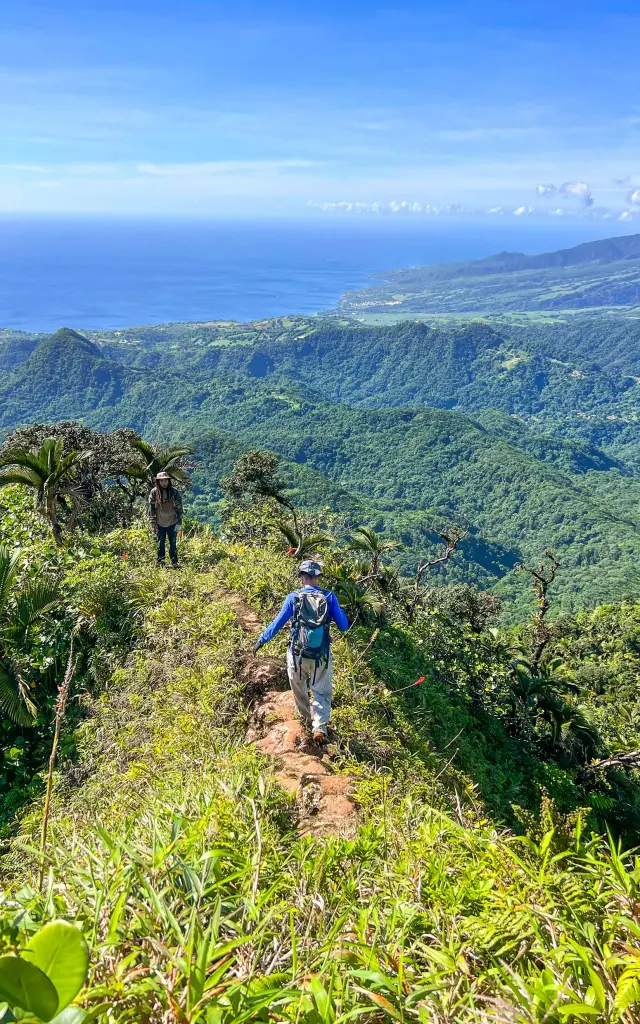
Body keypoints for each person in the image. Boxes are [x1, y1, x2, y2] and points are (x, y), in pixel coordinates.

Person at [253, 559, 349, 743]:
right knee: (321, 691)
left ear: (302, 577)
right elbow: (343, 626)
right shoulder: (329, 597)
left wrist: (261, 640)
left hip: (297, 654)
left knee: (299, 688)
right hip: (321, 655)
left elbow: (277, 623)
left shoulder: (294, 597)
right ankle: (320, 728)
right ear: (318, 577)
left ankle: (305, 721)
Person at [149, 471, 183, 568]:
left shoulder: (174, 492)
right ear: (158, 482)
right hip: (159, 523)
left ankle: (174, 562)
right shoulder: (154, 492)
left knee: (173, 543)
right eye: (162, 481)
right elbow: (151, 509)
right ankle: (160, 561)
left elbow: (180, 508)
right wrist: (153, 523)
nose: (164, 483)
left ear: (169, 481)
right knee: (160, 543)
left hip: (172, 522)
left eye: (166, 480)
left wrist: (179, 521)